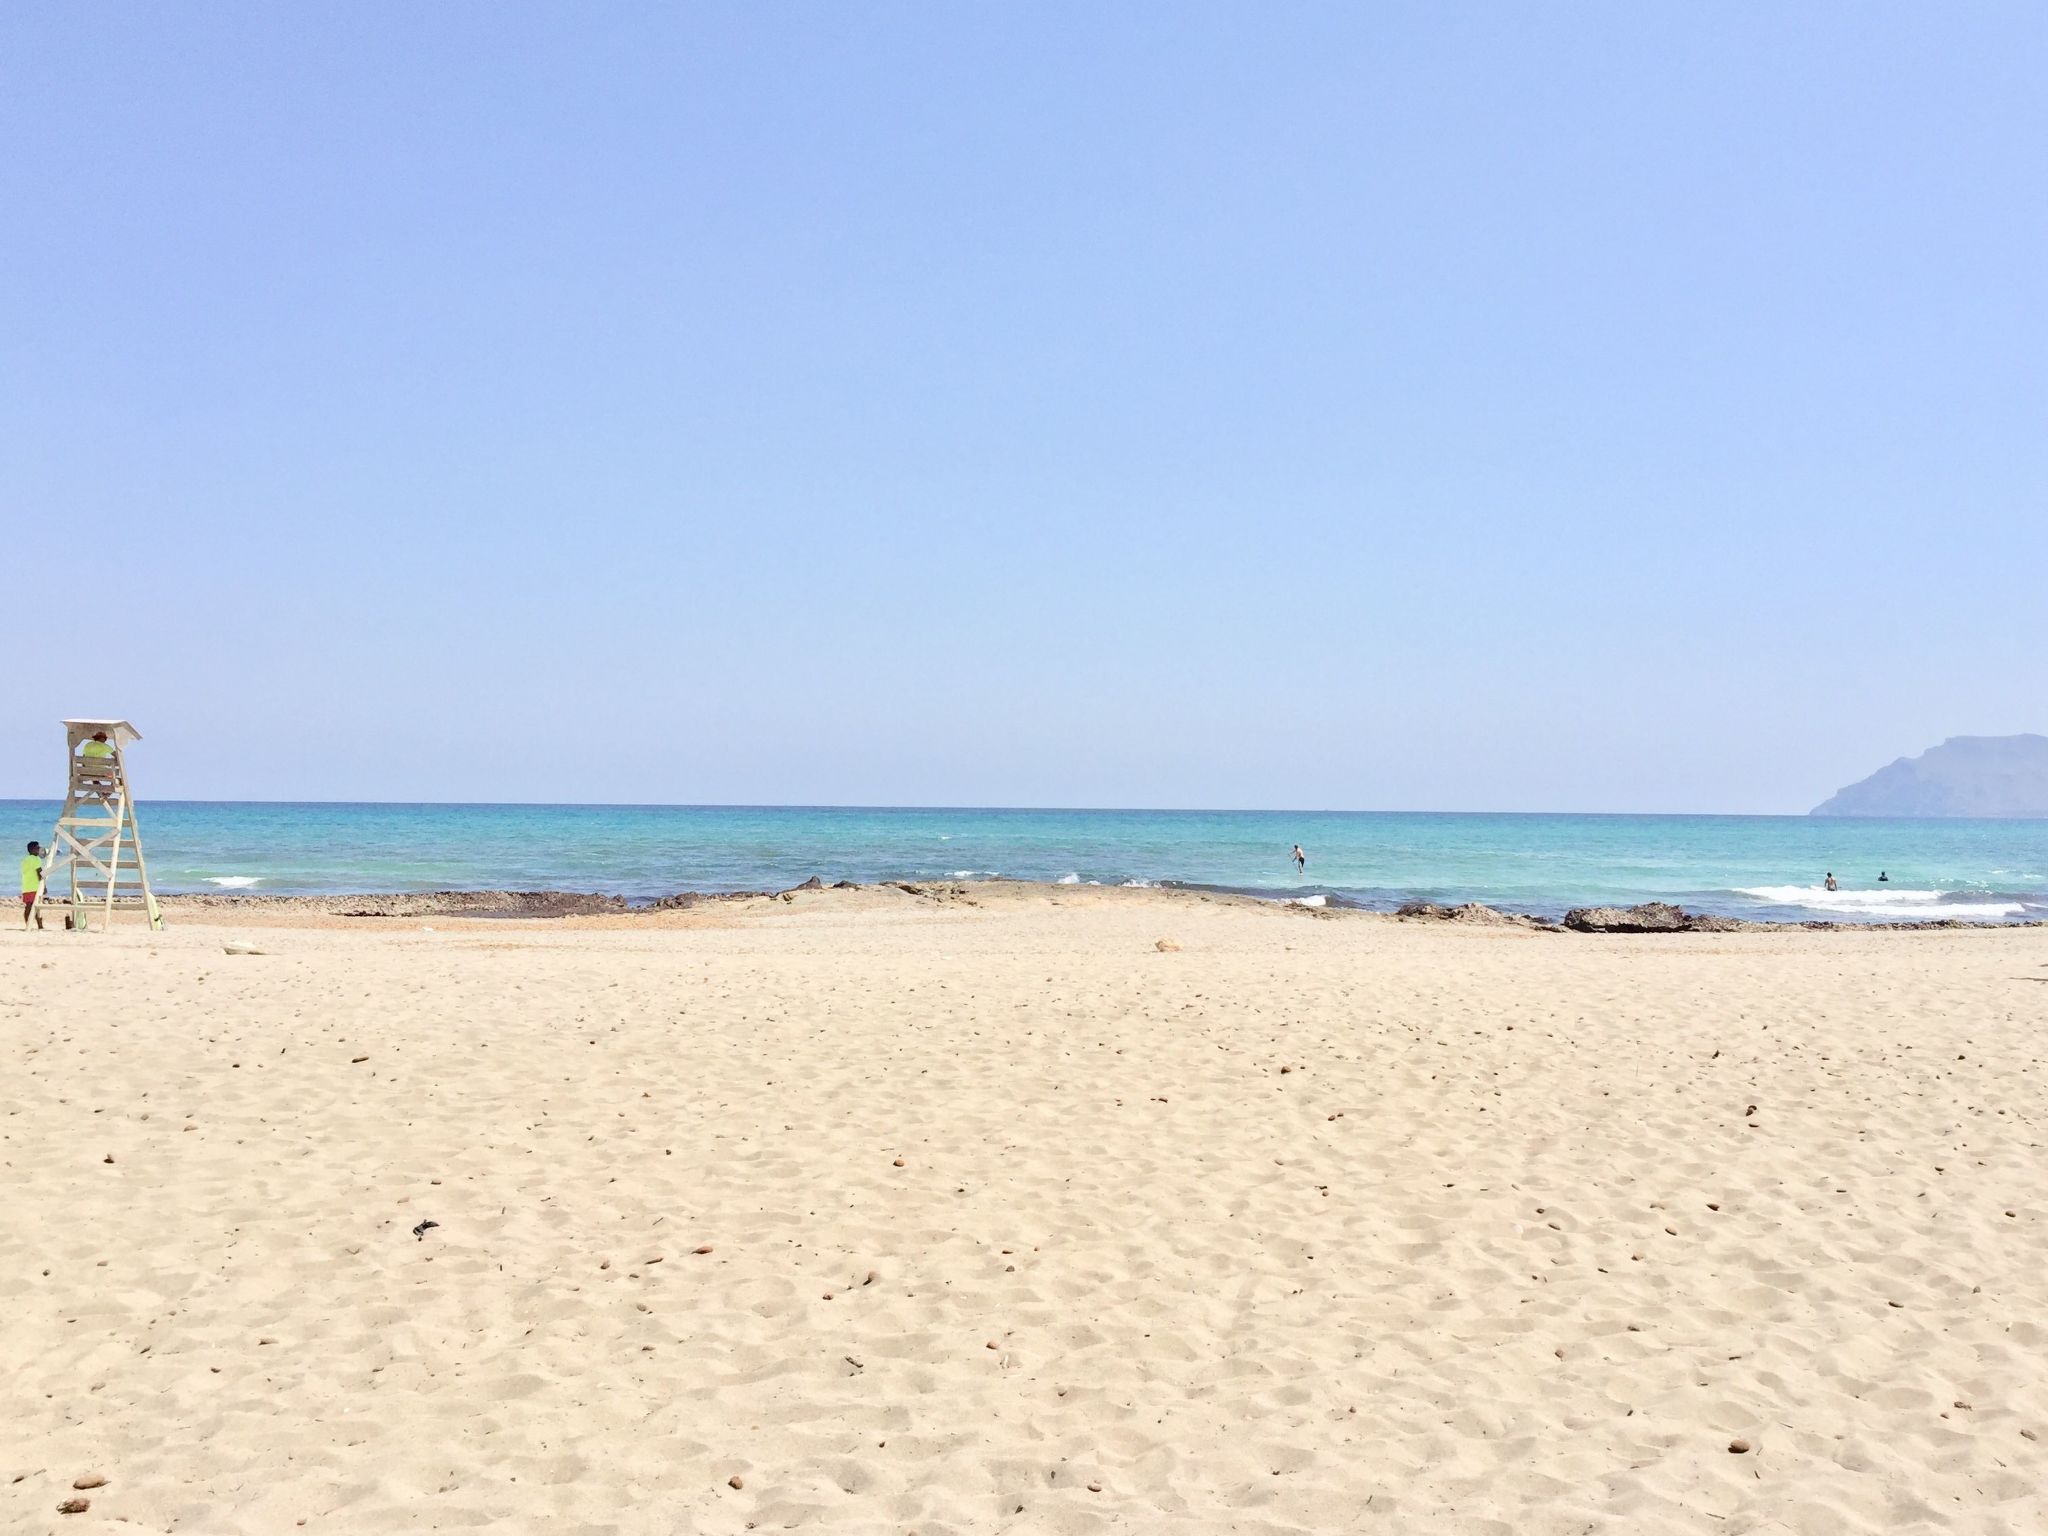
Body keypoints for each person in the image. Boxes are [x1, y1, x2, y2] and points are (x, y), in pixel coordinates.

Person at [20, 840, 44, 930]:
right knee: (36, 907)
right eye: (37, 848)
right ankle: (40, 925)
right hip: (34, 887)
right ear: (32, 849)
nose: (39, 850)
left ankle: (27, 924)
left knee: (28, 907)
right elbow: (39, 873)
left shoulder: (25, 860)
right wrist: (43, 886)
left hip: (26, 887)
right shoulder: (36, 859)